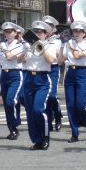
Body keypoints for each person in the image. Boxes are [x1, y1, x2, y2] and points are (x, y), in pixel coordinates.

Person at [59, 20, 86, 143]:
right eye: (75, 31)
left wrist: (71, 47)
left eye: (79, 31)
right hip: (70, 72)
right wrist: (62, 44)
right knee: (70, 105)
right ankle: (75, 133)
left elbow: (78, 56)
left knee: (81, 104)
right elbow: (60, 59)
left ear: (85, 32)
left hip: (82, 72)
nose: (77, 33)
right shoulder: (69, 42)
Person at [21, 20, 55, 150]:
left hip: (42, 79)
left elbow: (51, 60)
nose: (37, 34)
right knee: (30, 112)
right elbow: (20, 60)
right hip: (29, 77)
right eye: (35, 32)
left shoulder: (49, 45)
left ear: (46, 34)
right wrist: (26, 50)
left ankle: (45, 137)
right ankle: (36, 140)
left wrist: (41, 47)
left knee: (38, 109)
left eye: (40, 32)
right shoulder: (27, 45)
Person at [0, 21, 25, 140]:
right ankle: (11, 128)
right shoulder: (2, 45)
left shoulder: (20, 45)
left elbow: (10, 57)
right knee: (7, 104)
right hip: (4, 74)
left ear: (15, 33)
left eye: (10, 32)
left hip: (15, 74)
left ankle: (14, 127)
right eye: (6, 32)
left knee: (10, 101)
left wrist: (4, 50)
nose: (7, 34)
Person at [42, 15, 63, 131]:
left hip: (53, 69)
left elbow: (55, 56)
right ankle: (48, 121)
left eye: (49, 26)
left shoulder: (56, 41)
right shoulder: (40, 39)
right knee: (45, 97)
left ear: (53, 28)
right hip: (42, 69)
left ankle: (58, 115)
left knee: (52, 96)